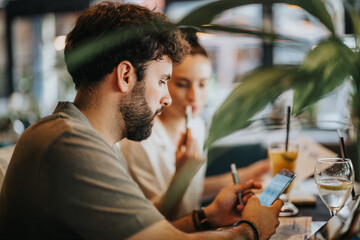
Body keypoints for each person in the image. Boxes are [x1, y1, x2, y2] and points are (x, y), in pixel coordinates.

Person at [0, 2, 282, 239]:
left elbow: (147, 234)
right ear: (125, 76)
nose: (167, 98)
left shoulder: (87, 139)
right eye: (162, 81)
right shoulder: (69, 144)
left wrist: (207, 217)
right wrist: (250, 230)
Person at [120, 30, 270, 219]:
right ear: (163, 83)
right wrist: (181, 176)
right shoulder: (139, 140)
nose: (194, 97)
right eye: (183, 84)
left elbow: (192, 192)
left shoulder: (197, 126)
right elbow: (157, 221)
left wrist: (247, 174)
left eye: (202, 84)